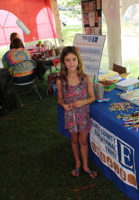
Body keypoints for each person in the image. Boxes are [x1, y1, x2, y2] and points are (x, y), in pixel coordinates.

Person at [56, 46, 97, 178]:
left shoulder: (85, 78)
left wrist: (82, 102)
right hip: (71, 116)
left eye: (74, 59)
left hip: (83, 115)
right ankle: (77, 163)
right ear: (63, 62)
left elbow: (92, 97)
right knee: (74, 140)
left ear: (78, 61)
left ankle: (85, 166)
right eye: (68, 60)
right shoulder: (60, 80)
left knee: (83, 141)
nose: (71, 63)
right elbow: (60, 100)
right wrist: (64, 105)